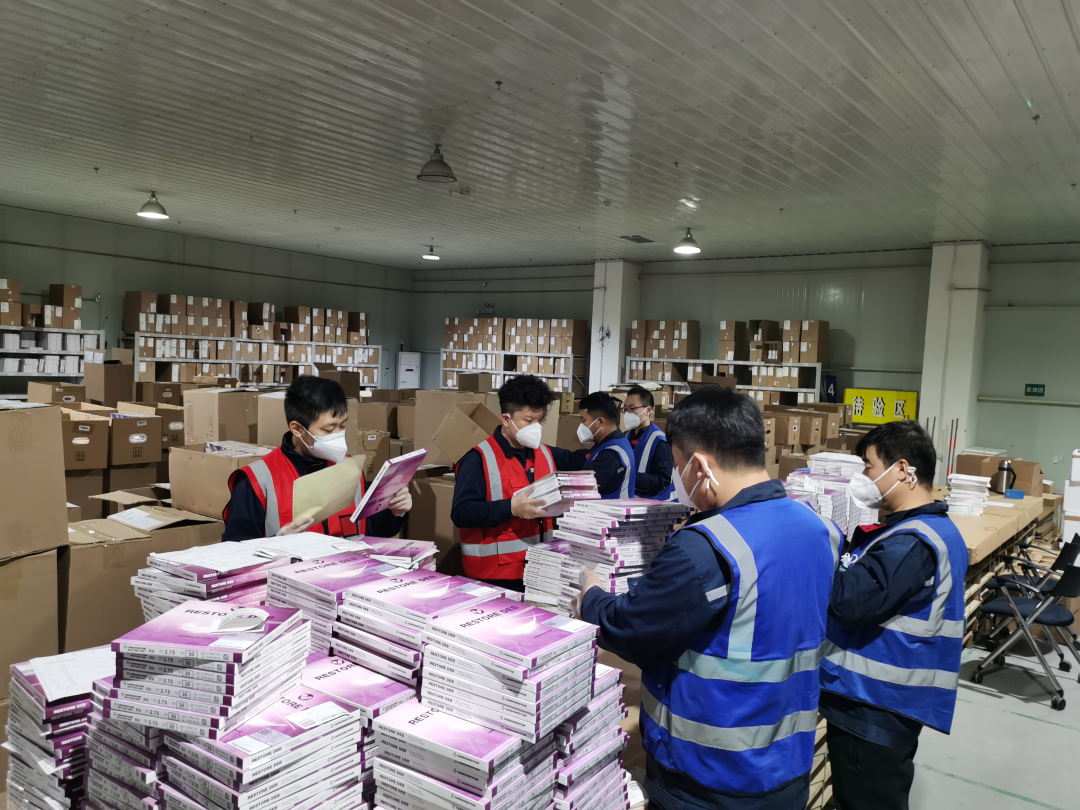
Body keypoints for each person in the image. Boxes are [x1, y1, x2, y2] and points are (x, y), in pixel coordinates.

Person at [575, 387, 842, 810]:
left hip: (710, 775)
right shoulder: (820, 528)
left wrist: (591, 597)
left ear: (699, 466)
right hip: (787, 761)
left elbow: (633, 629)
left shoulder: (708, 547)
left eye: (677, 466)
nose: (677, 480)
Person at [819, 420, 968, 810]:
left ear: (902, 470)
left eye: (868, 466)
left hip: (873, 706)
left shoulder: (912, 543)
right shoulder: (925, 530)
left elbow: (848, 601)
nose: (864, 477)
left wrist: (822, 544)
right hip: (885, 703)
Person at [223, 376, 411, 541]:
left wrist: (394, 512)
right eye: (328, 429)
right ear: (297, 429)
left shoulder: (350, 469)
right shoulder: (257, 481)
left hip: (349, 568)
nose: (338, 435)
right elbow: (233, 552)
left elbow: (368, 531)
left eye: (342, 426)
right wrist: (275, 544)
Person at [452, 375, 587, 590]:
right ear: (506, 420)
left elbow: (579, 460)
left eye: (540, 421)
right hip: (495, 576)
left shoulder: (545, 453)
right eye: (528, 421)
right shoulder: (478, 459)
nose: (536, 427)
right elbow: (461, 513)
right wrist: (510, 508)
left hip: (541, 570)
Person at [573, 391, 636, 500]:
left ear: (600, 422)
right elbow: (577, 459)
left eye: (584, 420)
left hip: (610, 510)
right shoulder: (616, 442)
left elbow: (578, 488)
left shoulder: (611, 456)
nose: (582, 425)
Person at [623, 385, 674, 500]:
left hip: (652, 504)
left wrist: (629, 477)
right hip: (629, 501)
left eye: (632, 408)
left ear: (648, 410)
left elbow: (663, 480)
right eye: (626, 409)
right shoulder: (625, 436)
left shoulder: (659, 441)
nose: (628, 413)